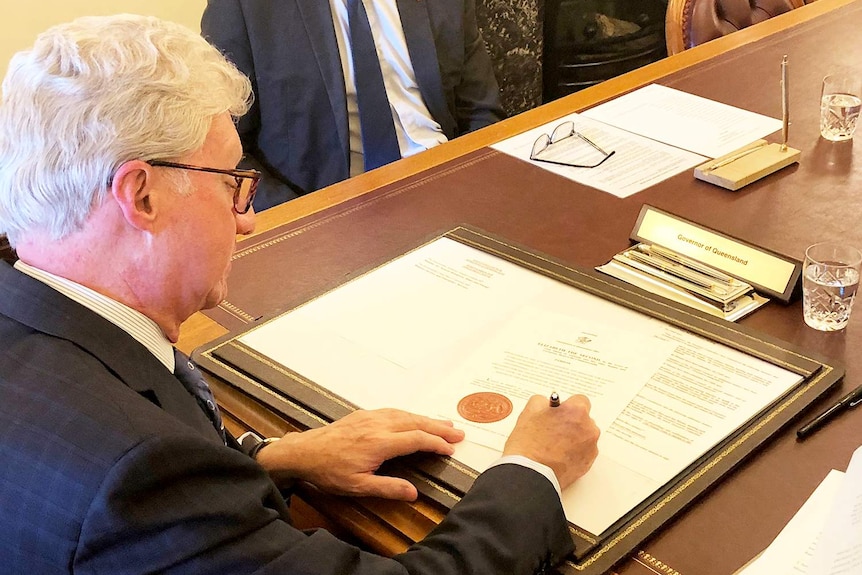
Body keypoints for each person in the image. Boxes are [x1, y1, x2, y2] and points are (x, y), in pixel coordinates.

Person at [0, 14, 600, 575]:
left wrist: (272, 458)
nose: (248, 220)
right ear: (142, 196)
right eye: (233, 182)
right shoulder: (140, 480)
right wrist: (534, 470)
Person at [201, 0, 506, 210]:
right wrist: (304, 220)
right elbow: (221, 152)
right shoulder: (244, 7)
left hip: (446, 181)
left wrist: (471, 189)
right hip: (327, 213)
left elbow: (481, 110)